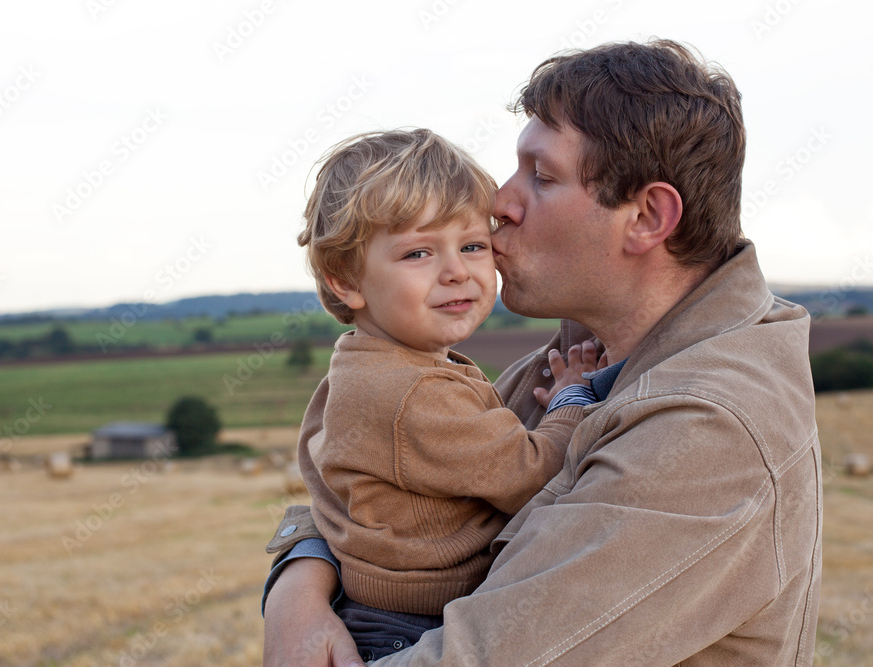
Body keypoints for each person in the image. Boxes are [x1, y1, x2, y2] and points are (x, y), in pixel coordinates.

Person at [263, 39, 822, 666]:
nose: (500, 202)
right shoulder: (582, 357)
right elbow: (385, 491)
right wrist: (299, 585)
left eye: (543, 176)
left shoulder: (710, 430)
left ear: (646, 216)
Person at [288, 128, 602, 662]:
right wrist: (571, 401)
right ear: (345, 281)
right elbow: (531, 476)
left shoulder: (364, 364)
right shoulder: (413, 391)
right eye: (417, 253)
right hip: (409, 628)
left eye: (473, 245)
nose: (456, 271)